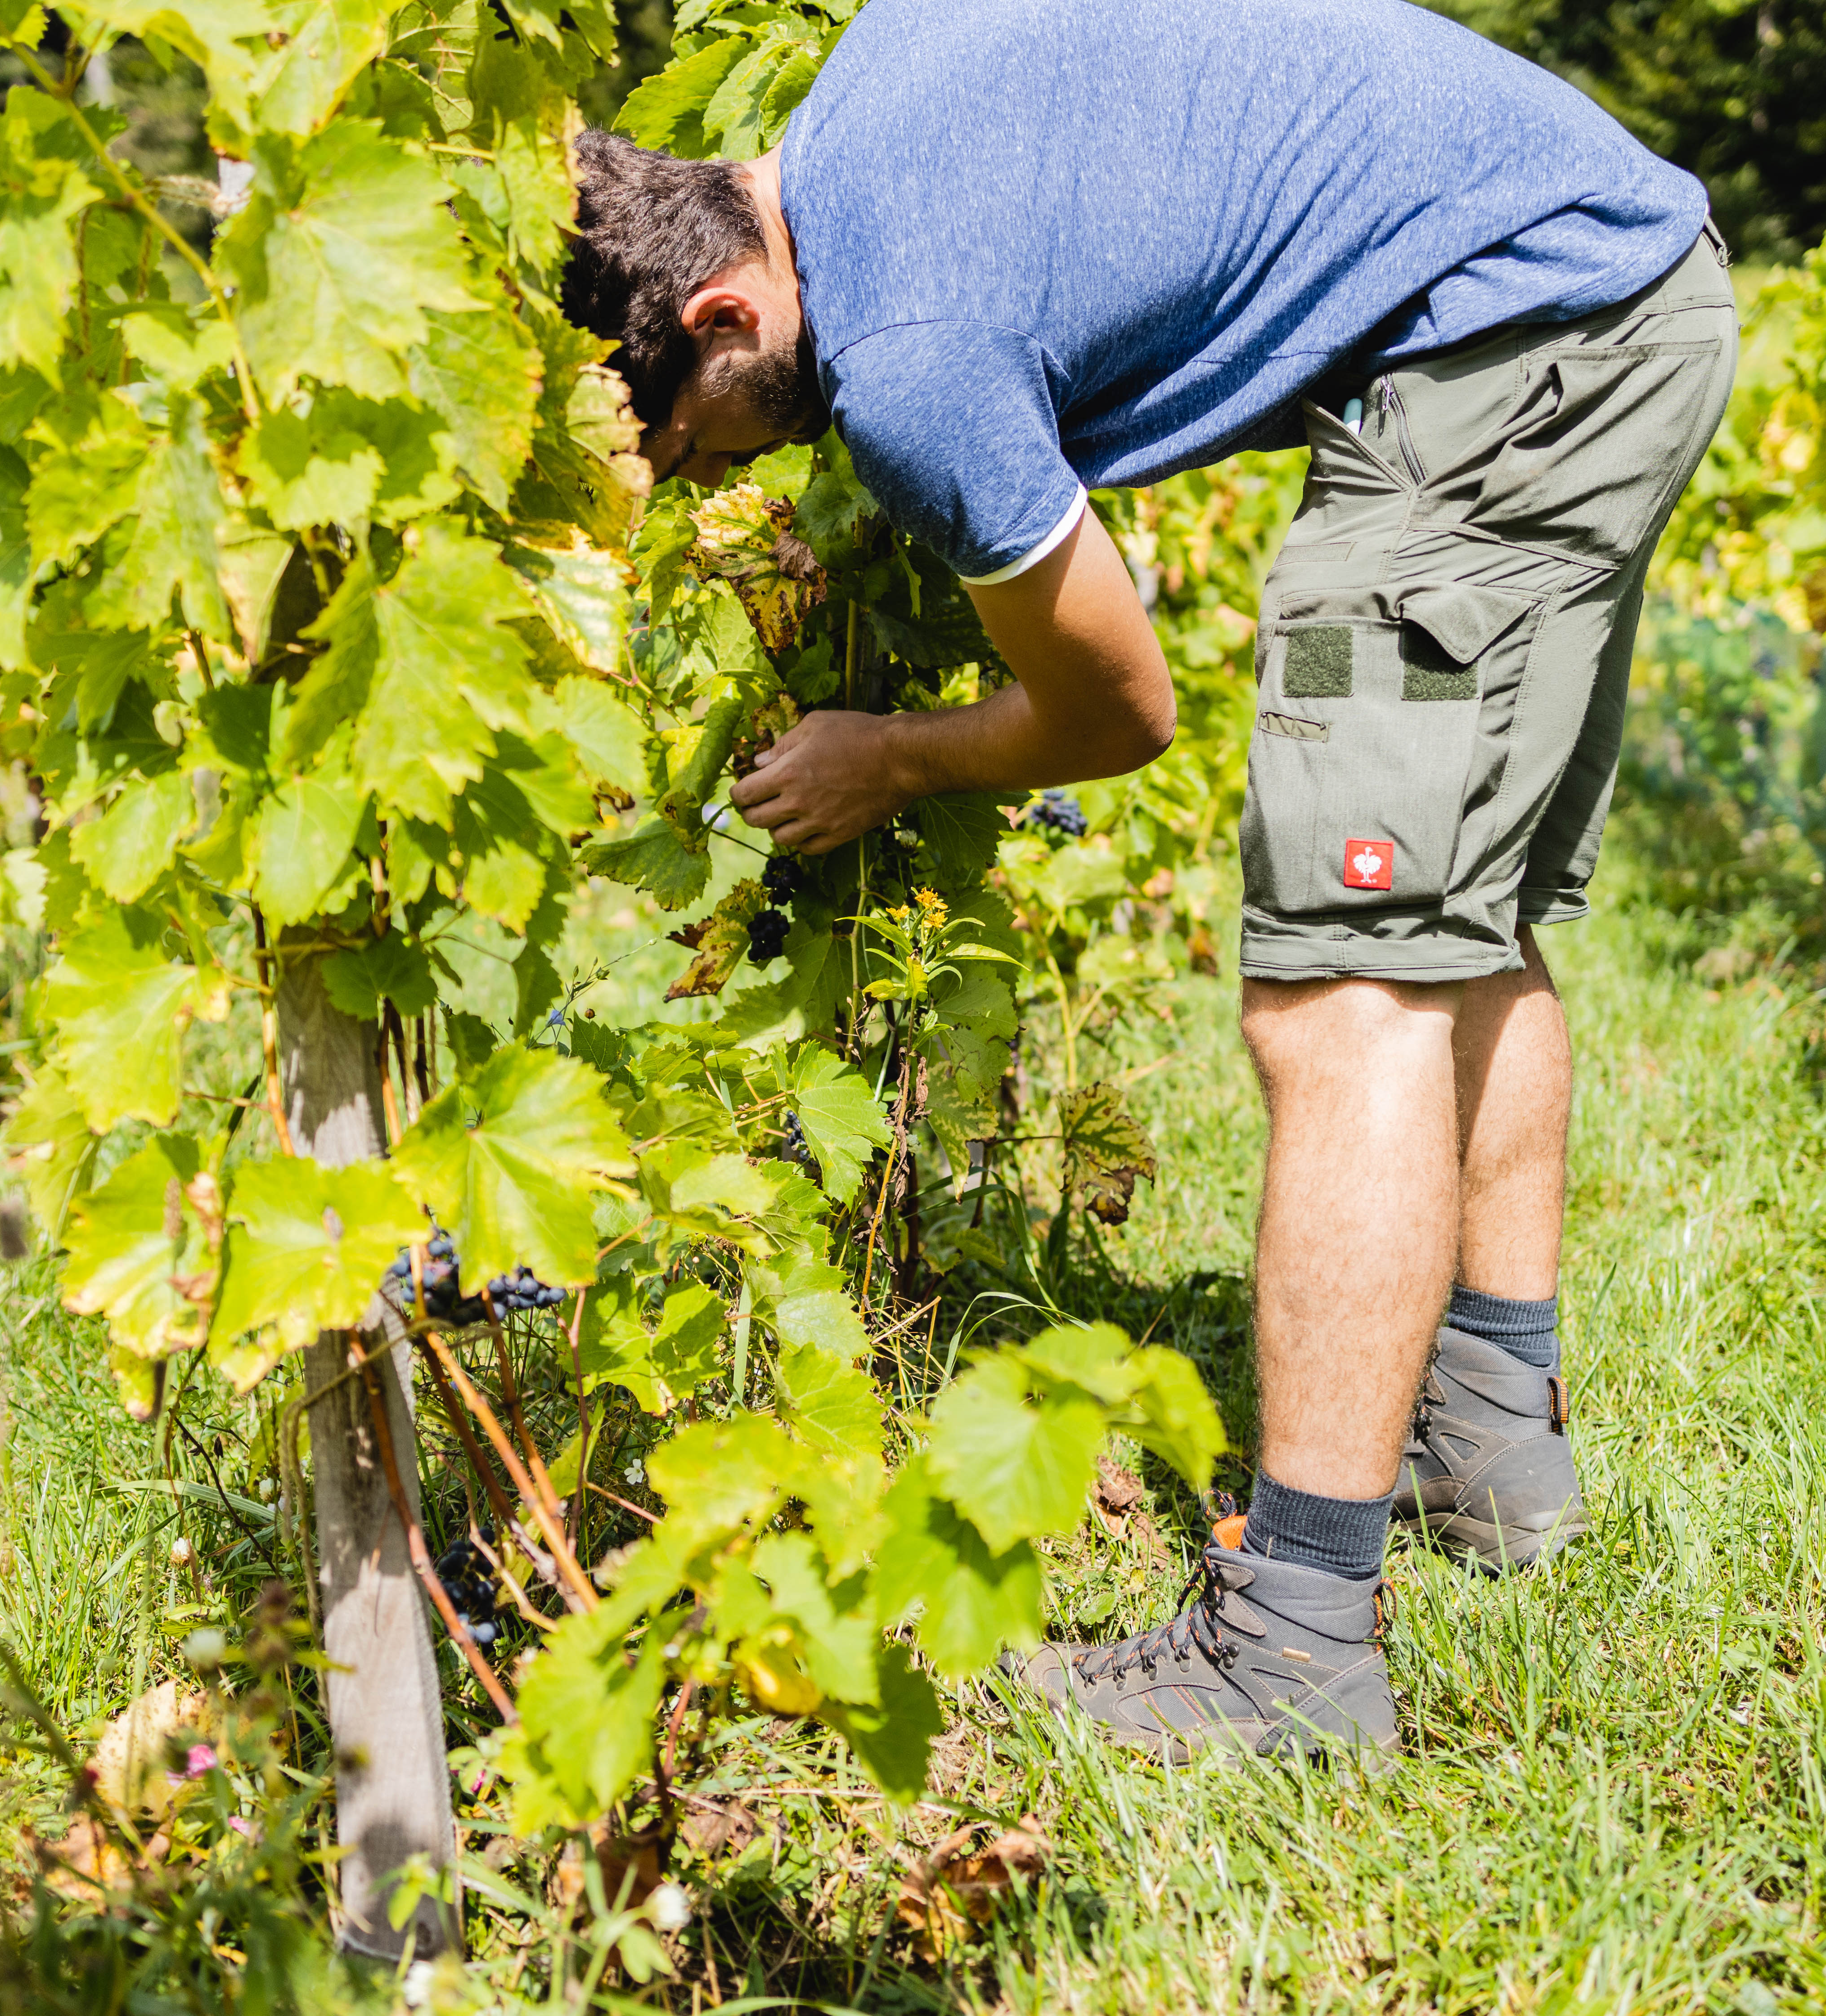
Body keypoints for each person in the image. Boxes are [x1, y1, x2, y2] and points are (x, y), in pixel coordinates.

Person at [562, 0, 1736, 1759]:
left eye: (689, 435)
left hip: (1510, 357)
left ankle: (1294, 1651)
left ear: (725, 308)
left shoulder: (911, 363)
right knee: (1459, 919)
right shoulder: (877, 66)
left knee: (1341, 990)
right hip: (1615, 298)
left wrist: (889, 754)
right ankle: (1488, 1449)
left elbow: (1117, 710)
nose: (722, 472)